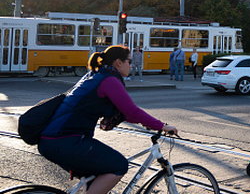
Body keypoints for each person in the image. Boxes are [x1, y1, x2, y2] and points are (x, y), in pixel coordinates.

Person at [38, 45, 178, 194]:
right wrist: (162, 126)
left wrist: (150, 123)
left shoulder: (95, 75)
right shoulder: (109, 80)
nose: (130, 65)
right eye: (129, 62)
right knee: (119, 166)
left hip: (54, 139)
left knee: (97, 175)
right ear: (118, 62)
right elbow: (132, 111)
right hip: (65, 140)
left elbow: (126, 113)